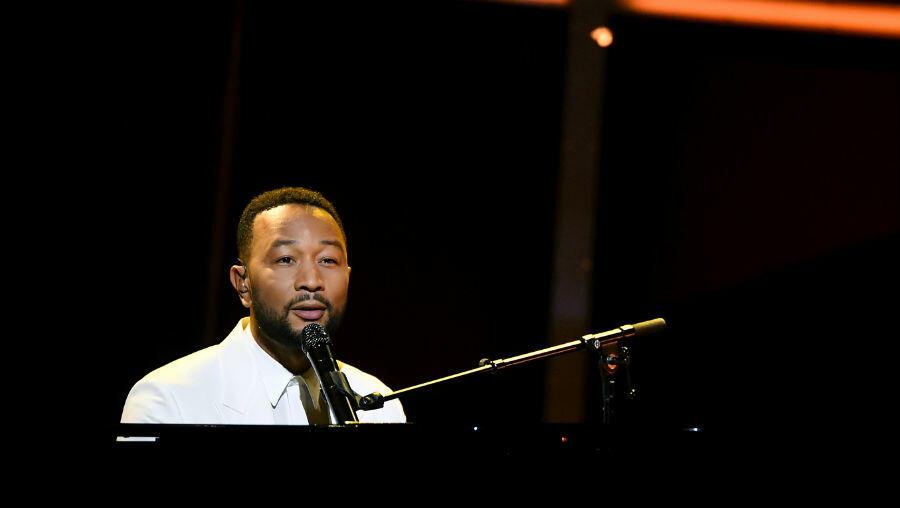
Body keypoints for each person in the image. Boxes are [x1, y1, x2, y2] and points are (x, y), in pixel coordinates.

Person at [121, 187, 406, 424]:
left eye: (328, 260)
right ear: (243, 283)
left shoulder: (379, 403)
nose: (311, 281)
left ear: (348, 276)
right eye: (285, 259)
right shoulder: (170, 400)